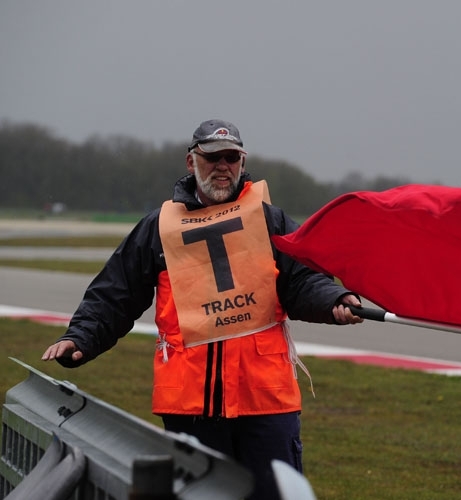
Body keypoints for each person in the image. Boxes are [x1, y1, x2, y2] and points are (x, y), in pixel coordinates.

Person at [41, 119, 364, 500]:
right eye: (212, 157)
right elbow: (115, 293)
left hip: (265, 399)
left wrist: (334, 300)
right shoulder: (159, 227)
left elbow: (303, 280)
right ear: (191, 161)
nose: (222, 166)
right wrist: (81, 337)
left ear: (243, 163)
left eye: (231, 157)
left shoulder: (269, 220)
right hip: (190, 403)